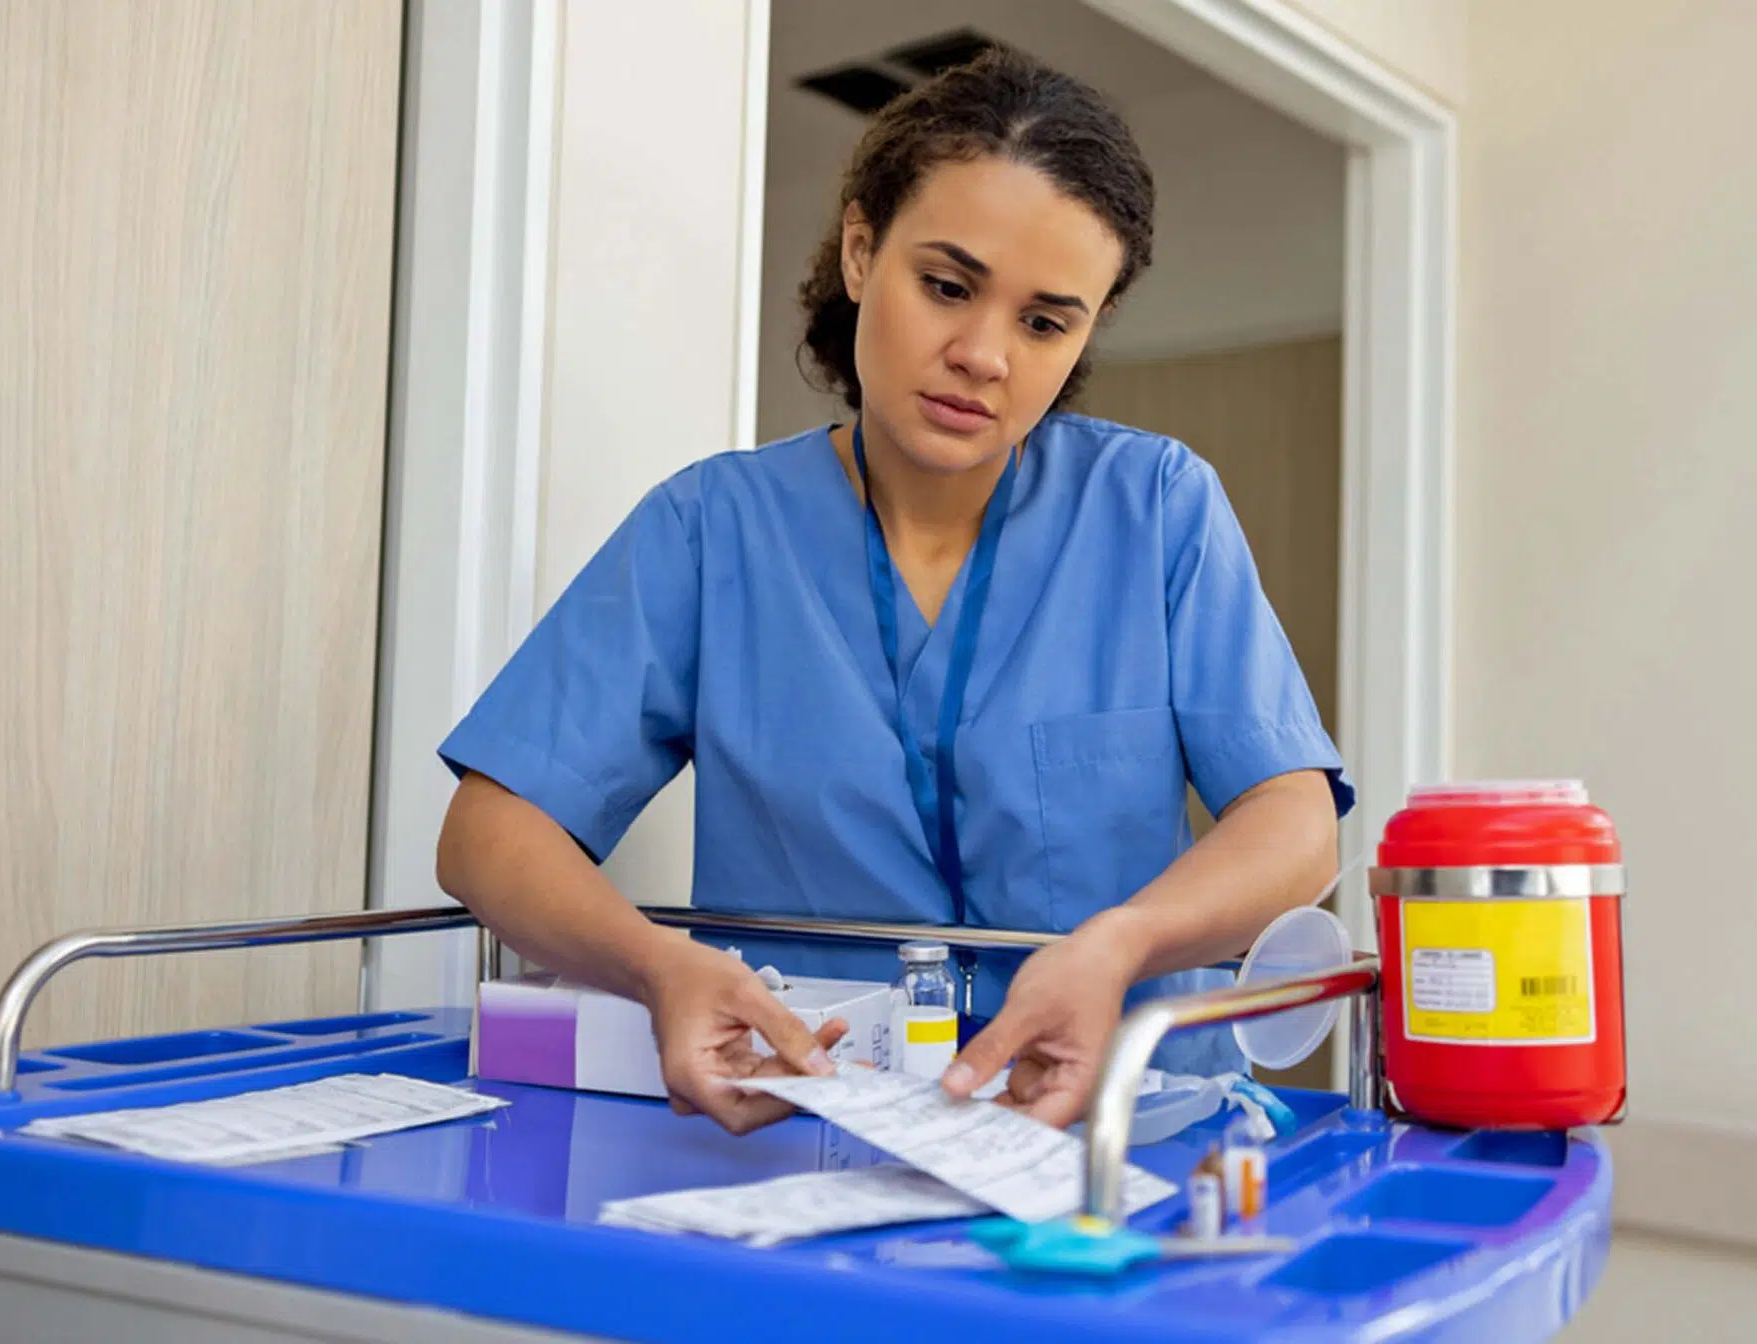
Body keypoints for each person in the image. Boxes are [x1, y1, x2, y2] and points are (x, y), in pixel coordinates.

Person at [434, 48, 1350, 1138]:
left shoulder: (1153, 507)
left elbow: (1295, 822)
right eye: (948, 286)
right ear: (863, 252)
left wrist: (1122, 943)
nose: (981, 354)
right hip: (812, 1130)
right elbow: (491, 831)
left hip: (1119, 1136)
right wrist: (657, 967)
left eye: (1044, 322)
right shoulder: (712, 530)